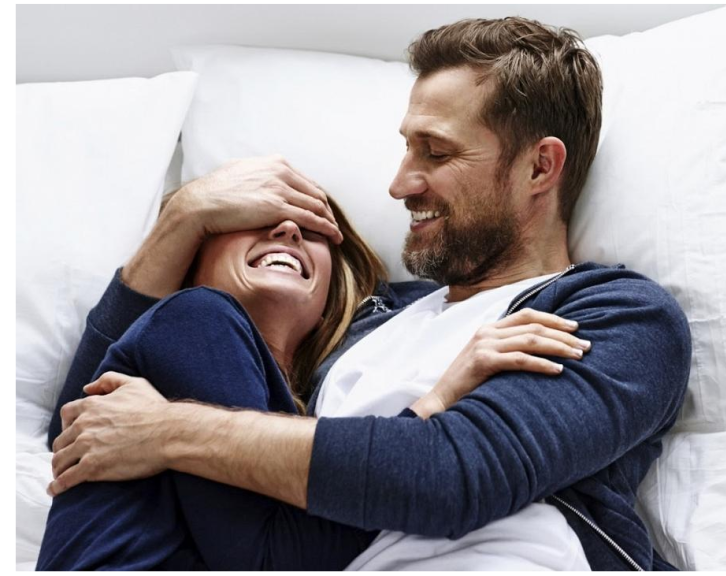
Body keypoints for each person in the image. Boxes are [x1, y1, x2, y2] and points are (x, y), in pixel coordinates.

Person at [48, 16, 692, 571]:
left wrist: (167, 430)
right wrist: (182, 219)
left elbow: (454, 475)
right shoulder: (354, 328)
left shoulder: (617, 316)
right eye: (407, 149)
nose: (400, 184)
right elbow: (89, 430)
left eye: (435, 152)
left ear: (539, 166)